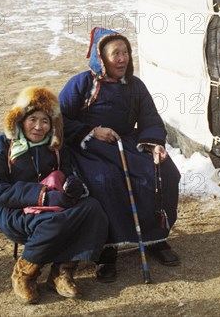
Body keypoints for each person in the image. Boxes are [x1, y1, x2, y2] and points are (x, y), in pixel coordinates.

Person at [59, 27, 181, 283]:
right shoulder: (81, 84)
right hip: (90, 148)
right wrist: (92, 131)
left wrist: (155, 144)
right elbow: (59, 120)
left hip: (128, 144)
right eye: (116, 53)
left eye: (125, 52)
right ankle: (107, 250)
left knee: (164, 173)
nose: (122, 58)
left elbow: (150, 118)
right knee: (105, 181)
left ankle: (155, 238)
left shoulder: (135, 85)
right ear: (101, 58)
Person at [0, 86, 108, 304]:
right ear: (20, 118)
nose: (39, 127)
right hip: (13, 209)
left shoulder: (56, 146)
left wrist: (73, 185)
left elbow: (69, 173)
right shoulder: (2, 146)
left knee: (92, 209)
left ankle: (62, 271)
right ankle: (24, 273)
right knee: (54, 222)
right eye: (33, 119)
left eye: (45, 121)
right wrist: (42, 195)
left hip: (53, 205)